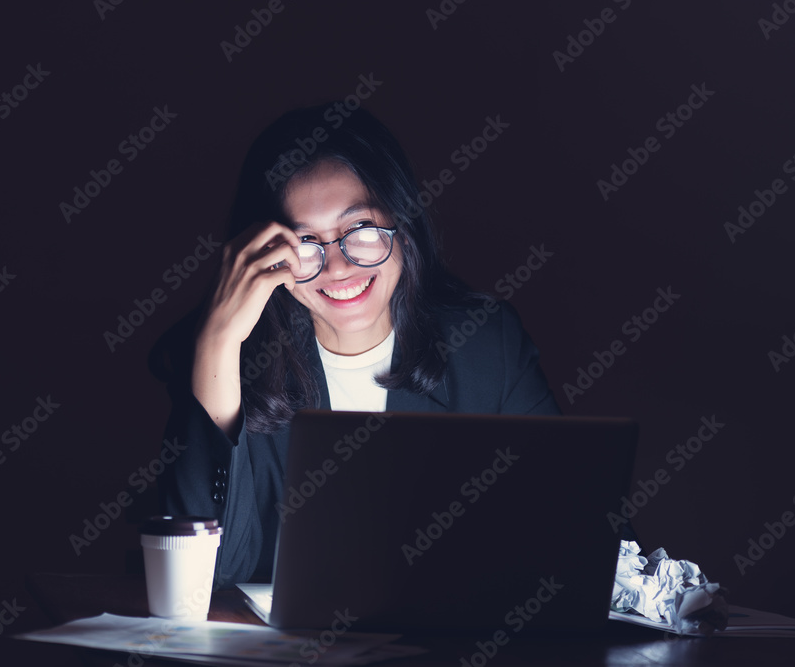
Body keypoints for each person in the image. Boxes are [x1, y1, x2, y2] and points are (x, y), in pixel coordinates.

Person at [153, 104, 562, 589]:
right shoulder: (230, 364)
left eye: (360, 231)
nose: (338, 267)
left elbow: (579, 534)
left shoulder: (488, 346)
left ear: (403, 226)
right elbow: (197, 582)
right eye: (306, 242)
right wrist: (218, 341)